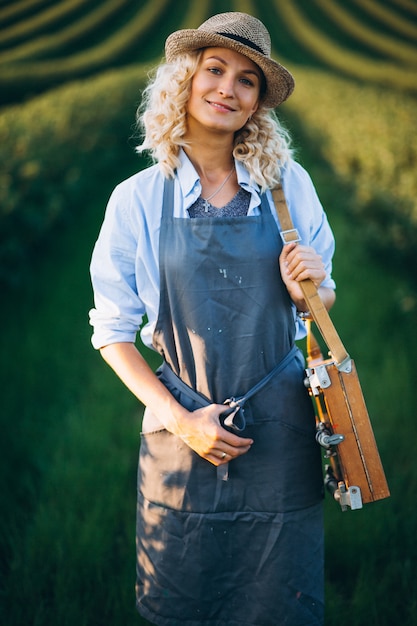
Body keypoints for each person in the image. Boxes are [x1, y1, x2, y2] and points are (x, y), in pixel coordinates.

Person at [89, 11, 336, 626]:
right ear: (185, 80)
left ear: (258, 102)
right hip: (180, 428)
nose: (228, 88)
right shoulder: (138, 199)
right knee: (181, 596)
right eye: (215, 70)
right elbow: (114, 332)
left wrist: (311, 284)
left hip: (280, 425)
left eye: (247, 80)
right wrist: (181, 421)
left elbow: (323, 300)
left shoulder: (287, 187)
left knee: (278, 601)